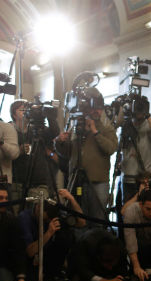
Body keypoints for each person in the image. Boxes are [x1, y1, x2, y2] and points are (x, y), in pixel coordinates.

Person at [55, 87, 118, 232]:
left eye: (100, 109)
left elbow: (111, 149)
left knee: (98, 220)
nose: (98, 112)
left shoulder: (106, 127)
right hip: (77, 179)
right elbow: (66, 153)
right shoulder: (76, 124)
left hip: (98, 181)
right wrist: (59, 142)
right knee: (77, 219)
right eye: (94, 109)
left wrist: (95, 132)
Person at [19, 188, 86, 281]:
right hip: (30, 262)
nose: (47, 221)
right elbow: (30, 252)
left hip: (50, 257)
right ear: (38, 208)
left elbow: (81, 223)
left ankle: (60, 277)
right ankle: (54, 279)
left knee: (66, 234)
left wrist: (71, 199)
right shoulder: (25, 218)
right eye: (45, 219)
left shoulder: (53, 214)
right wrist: (49, 233)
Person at [116, 95, 151, 205]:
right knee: (127, 208)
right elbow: (119, 145)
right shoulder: (126, 125)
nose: (139, 111)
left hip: (146, 177)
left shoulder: (149, 125)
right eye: (137, 107)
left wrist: (147, 115)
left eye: (142, 107)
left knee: (146, 206)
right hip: (128, 176)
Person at [66, 228, 131, 281]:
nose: (110, 267)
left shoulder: (120, 248)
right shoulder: (85, 245)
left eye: (112, 263)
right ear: (98, 257)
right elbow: (83, 271)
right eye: (107, 263)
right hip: (81, 268)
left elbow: (123, 270)